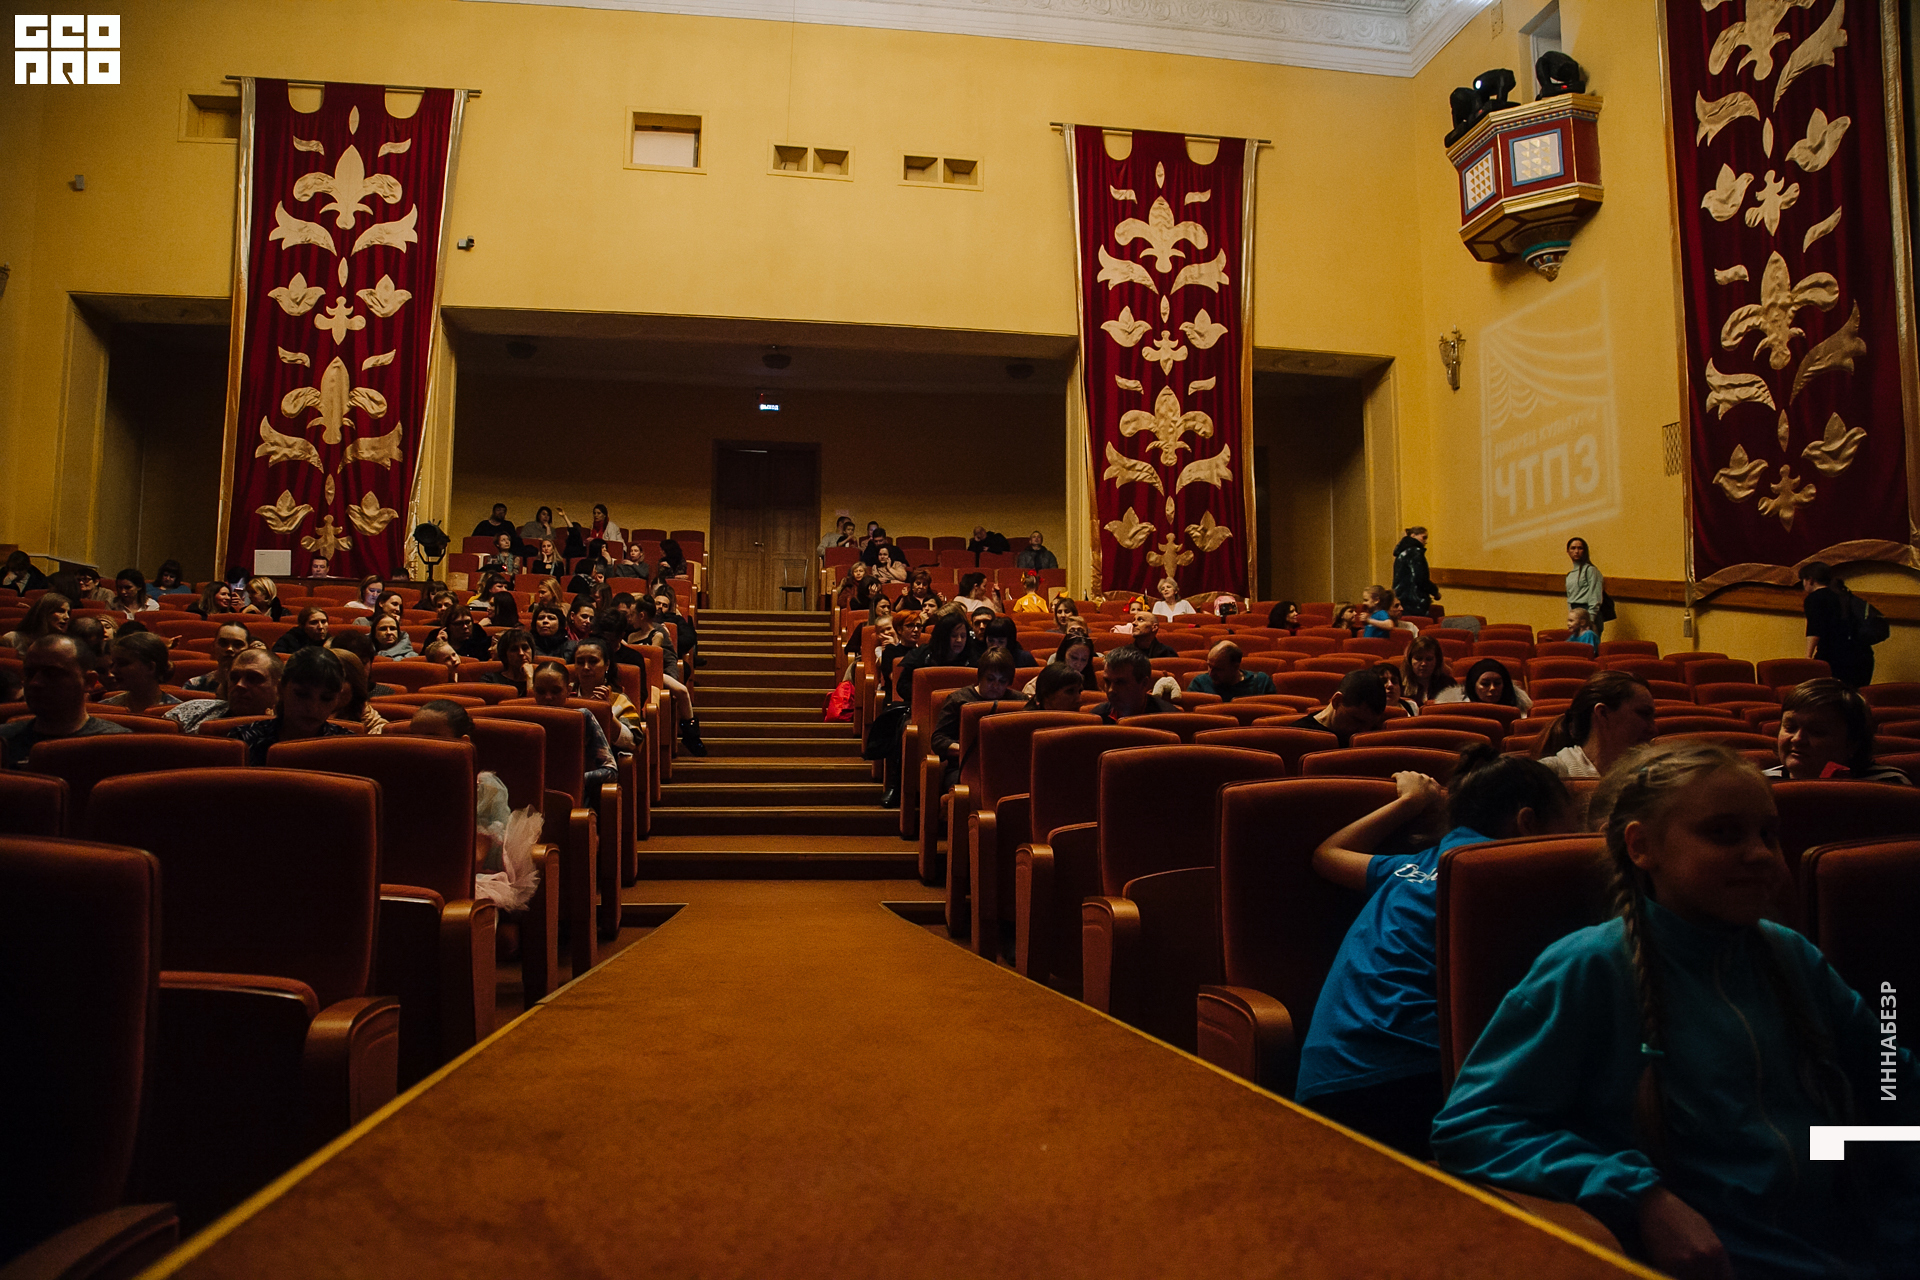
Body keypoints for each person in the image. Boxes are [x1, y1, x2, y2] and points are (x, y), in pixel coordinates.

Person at [1432, 742, 1920, 1279]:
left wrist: (1892, 1167)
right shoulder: (1589, 966)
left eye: (1768, 834)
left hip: (1858, 1235)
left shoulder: (1791, 955)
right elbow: (1473, 1125)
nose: (1761, 854)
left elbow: (1892, 1084)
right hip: (1727, 1253)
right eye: (1724, 834)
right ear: (1642, 846)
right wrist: (1640, 1196)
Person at [1299, 749, 1574, 1157]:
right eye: (1572, 826)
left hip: (1326, 1080)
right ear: (1528, 823)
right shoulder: (1512, 874)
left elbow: (1326, 855)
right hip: (1416, 1082)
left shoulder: (1410, 868)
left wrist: (1409, 803)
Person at [0, 635, 132, 764]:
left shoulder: (118, 745)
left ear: (88, 681)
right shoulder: (3, 739)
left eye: (52, 674)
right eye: (30, 673)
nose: (35, 683)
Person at [1766, 677, 1912, 784]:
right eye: (1790, 728)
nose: (1798, 739)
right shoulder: (1762, 783)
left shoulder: (1889, 785)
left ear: (1852, 743)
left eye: (1817, 731)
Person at [232, 644, 354, 763]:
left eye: (326, 698)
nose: (313, 707)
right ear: (281, 689)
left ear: (338, 699)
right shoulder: (244, 740)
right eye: (302, 695)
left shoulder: (349, 747)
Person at [1535, 671, 1657, 780]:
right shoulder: (1544, 777)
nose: (1654, 730)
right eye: (1644, 714)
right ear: (1603, 714)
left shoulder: (1647, 780)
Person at [930, 649, 1019, 789]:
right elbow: (938, 740)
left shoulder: (1018, 702)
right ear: (980, 676)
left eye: (1002, 681)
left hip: (1005, 768)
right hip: (964, 766)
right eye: (990, 679)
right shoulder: (958, 699)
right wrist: (969, 751)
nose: (996, 686)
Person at [530, 661, 620, 796]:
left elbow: (611, 771)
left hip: (571, 795)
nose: (548, 697)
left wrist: (571, 780)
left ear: (568, 690)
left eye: (556, 691)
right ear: (533, 691)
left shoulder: (583, 718)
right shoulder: (522, 720)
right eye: (541, 691)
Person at [1798, 562, 1876, 689]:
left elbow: (1815, 628)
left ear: (1810, 580)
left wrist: (1808, 656)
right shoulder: (1844, 595)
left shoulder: (1815, 598)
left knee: (1831, 694)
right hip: (1862, 655)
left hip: (1835, 657)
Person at [1290, 668, 1391, 747]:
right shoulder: (1298, 736)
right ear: (1337, 701)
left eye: (1370, 725)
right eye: (1357, 721)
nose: (1363, 732)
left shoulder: (1373, 732)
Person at [1084, 647, 1176, 723]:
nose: (1111, 690)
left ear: (1144, 683)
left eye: (1120, 683)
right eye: (1107, 682)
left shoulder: (1170, 720)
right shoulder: (1097, 718)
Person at [100, 631, 179, 713]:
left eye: (122, 663)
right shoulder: (105, 709)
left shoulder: (178, 712)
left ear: (150, 667)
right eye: (113, 664)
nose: (113, 670)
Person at [1432, 657, 1533, 713]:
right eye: (1485, 684)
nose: (1492, 688)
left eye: (1497, 683)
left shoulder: (1520, 710)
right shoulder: (1454, 710)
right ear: (1473, 686)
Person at [1191, 641, 1276, 702]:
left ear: (1235, 667)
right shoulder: (1199, 683)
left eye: (1218, 669)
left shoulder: (1261, 682)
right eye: (1209, 666)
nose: (1211, 673)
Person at [184, 622, 254, 693]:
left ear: (249, 649)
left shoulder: (257, 688)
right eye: (223, 643)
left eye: (238, 644)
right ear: (213, 646)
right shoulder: (194, 686)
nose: (229, 649)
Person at [1391, 526, 1439, 618]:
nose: (1426, 541)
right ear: (1413, 535)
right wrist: (1435, 592)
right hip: (1416, 601)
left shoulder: (1401, 553)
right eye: (1423, 537)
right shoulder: (1415, 552)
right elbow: (1421, 578)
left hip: (1401, 598)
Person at [5, 592, 73, 654]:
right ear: (44, 613)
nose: (67, 617)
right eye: (61, 611)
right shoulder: (13, 639)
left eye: (68, 613)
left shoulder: (66, 644)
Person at [1564, 537, 1605, 639]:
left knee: (1589, 645)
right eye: (1573, 548)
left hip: (1588, 614)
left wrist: (1589, 620)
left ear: (1585, 551)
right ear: (1568, 551)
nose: (1576, 551)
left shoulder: (1590, 570)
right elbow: (1570, 598)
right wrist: (1572, 617)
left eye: (1580, 548)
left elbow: (1595, 596)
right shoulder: (1570, 575)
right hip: (1575, 614)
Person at [1401, 635, 1455, 706]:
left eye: (1429, 659)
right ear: (1410, 660)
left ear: (1437, 661)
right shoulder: (1399, 686)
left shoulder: (1448, 684)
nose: (1424, 664)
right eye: (1418, 659)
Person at [427, 603, 492, 661]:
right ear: (448, 626)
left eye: (468, 622)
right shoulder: (435, 636)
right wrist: (441, 645)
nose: (465, 626)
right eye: (458, 623)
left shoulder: (477, 633)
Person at [492, 627, 538, 698]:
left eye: (525, 648)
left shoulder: (543, 680)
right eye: (514, 649)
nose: (521, 653)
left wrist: (530, 678)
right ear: (505, 655)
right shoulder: (491, 680)